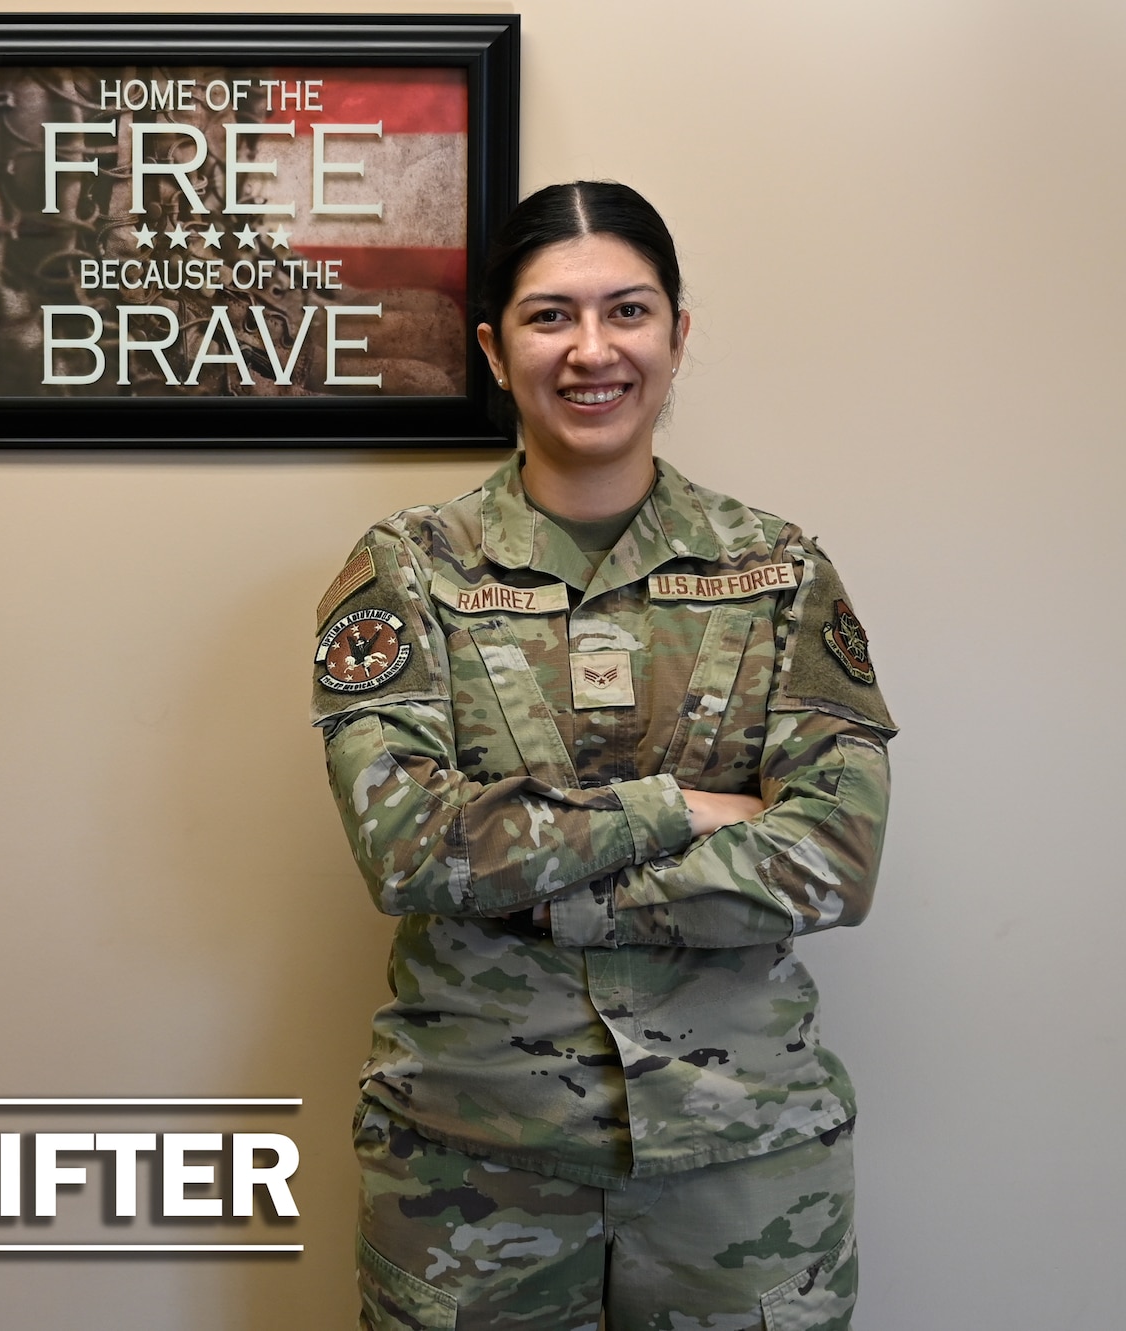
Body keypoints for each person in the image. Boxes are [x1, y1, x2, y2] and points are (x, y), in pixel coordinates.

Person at [312, 181, 895, 1331]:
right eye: (548, 317)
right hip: (471, 1163)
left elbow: (834, 855)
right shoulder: (406, 573)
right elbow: (408, 849)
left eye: (626, 311)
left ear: (676, 335)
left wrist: (536, 883)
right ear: (491, 346)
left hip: (742, 1164)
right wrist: (680, 803)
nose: (590, 351)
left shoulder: (778, 572)